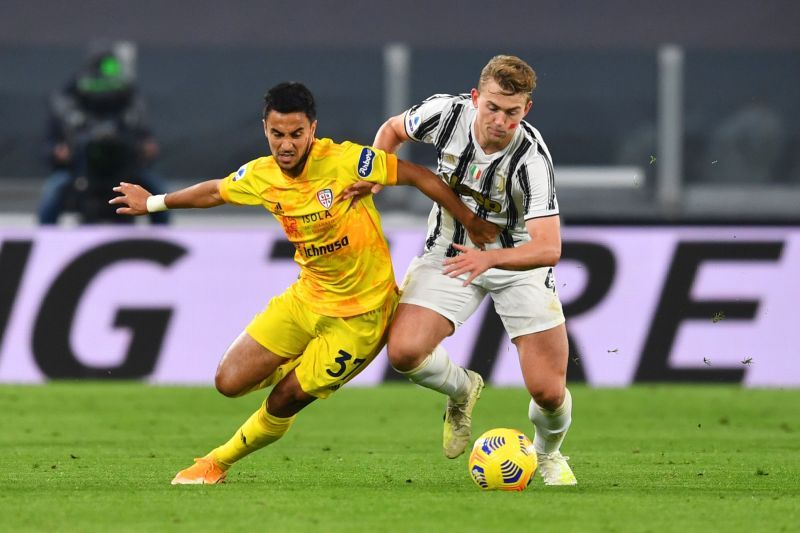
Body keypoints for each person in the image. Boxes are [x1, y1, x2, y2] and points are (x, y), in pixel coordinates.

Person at [109, 81, 497, 485]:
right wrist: (153, 202)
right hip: (306, 299)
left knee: (285, 399)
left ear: (312, 128)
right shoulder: (261, 175)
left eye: (296, 134)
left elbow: (421, 177)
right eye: (278, 134)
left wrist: (469, 221)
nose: (287, 145)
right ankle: (299, 364)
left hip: (360, 319)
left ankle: (216, 463)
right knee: (229, 382)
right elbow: (214, 192)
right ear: (265, 129)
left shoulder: (347, 161)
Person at [363, 55, 576, 485]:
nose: (500, 120)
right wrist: (376, 175)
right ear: (476, 97)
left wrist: (490, 258)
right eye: (492, 108)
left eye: (512, 113)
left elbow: (549, 247)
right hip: (450, 247)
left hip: (516, 260)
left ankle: (548, 454)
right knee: (404, 352)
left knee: (548, 392)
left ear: (526, 110)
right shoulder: (445, 114)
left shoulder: (532, 159)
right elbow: (391, 130)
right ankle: (462, 389)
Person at [40, 45, 169, 225]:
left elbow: (145, 138)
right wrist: (58, 152)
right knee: (51, 196)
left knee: (160, 197)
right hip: (77, 172)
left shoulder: (129, 102)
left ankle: (161, 241)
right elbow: (49, 145)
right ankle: (44, 244)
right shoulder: (68, 103)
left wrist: (147, 148)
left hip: (127, 172)